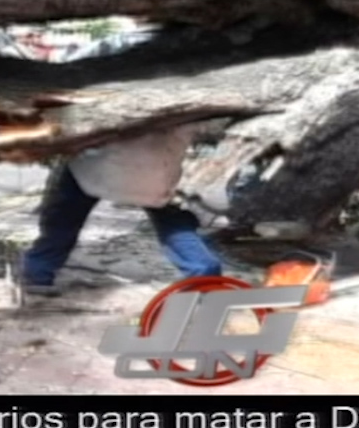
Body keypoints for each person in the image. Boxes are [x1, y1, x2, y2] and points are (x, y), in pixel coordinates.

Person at [20, 121, 227, 297]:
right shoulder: (191, 95)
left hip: (95, 167)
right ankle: (204, 276)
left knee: (63, 220)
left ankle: (38, 273)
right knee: (175, 225)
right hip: (154, 172)